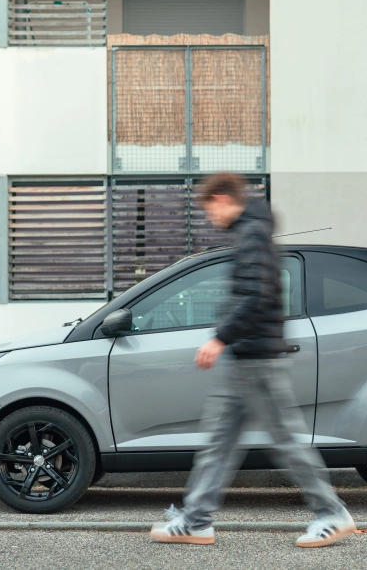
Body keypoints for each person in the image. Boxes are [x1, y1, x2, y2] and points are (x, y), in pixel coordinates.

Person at [150, 172, 355, 548]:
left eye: (209, 210)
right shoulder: (251, 232)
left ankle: (332, 513)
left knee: (286, 441)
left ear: (223, 199)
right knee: (219, 442)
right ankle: (196, 520)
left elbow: (257, 295)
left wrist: (220, 338)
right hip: (245, 357)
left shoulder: (254, 234)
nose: (210, 218)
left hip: (257, 360)